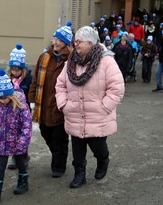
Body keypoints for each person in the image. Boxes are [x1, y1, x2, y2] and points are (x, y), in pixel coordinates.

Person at [55, 26, 125, 188]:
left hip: (97, 116)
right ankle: (80, 174)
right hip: (74, 114)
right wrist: (64, 104)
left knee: (98, 147)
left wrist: (104, 108)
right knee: (77, 149)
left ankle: (103, 161)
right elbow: (60, 85)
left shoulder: (106, 61)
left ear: (90, 43)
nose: (75, 44)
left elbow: (117, 88)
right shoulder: (71, 62)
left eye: (79, 42)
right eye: (75, 41)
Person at [28, 22, 73, 178]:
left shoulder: (71, 60)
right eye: (54, 39)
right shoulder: (44, 57)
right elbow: (35, 80)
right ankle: (58, 155)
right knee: (45, 132)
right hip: (43, 105)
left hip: (60, 107)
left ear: (66, 44)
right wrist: (32, 98)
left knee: (59, 138)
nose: (55, 42)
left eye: (59, 40)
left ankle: (58, 165)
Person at [0, 69, 32, 203]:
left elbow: (27, 125)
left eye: (5, 98)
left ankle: (23, 181)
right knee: (1, 165)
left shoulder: (21, 105)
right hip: (4, 141)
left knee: (20, 161)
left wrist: (23, 142)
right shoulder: (0, 104)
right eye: (0, 98)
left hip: (17, 141)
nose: (3, 101)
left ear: (11, 95)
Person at [7, 43, 32, 170]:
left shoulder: (28, 79)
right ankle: (15, 157)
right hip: (11, 111)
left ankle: (23, 156)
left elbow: (30, 93)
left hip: (24, 110)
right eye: (13, 69)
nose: (14, 72)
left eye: (17, 70)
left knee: (23, 134)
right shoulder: (7, 80)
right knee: (12, 134)